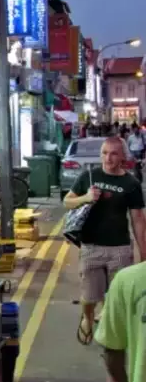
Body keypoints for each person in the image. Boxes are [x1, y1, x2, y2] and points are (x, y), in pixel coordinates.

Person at [64, 137, 146, 345]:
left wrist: (143, 252)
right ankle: (87, 317)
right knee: (89, 295)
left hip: (120, 248)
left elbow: (137, 219)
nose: (108, 158)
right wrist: (85, 198)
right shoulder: (88, 176)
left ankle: (110, 329)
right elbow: (67, 202)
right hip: (91, 246)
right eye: (104, 153)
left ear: (123, 157)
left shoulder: (131, 184)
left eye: (113, 153)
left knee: (117, 294)